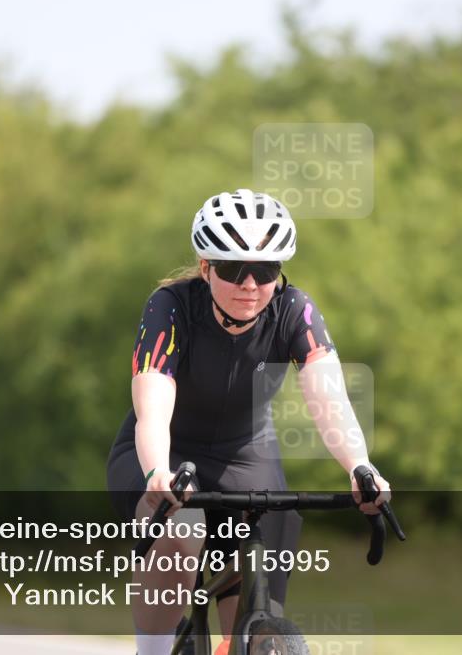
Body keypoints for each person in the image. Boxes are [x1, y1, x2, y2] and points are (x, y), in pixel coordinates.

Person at [106, 189, 392, 655]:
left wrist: (360, 465)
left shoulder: (294, 309)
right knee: (183, 531)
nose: (250, 285)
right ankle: (153, 649)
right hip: (164, 451)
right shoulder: (171, 306)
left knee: (259, 605)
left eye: (266, 271)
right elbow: (153, 399)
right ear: (205, 267)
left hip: (247, 454)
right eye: (233, 269)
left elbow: (328, 395)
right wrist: (157, 471)